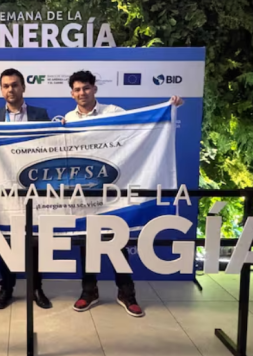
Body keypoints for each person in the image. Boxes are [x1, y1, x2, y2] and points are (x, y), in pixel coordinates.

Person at [63, 70, 183, 317]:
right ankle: (89, 291)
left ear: (95, 88)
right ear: (72, 93)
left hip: (114, 189)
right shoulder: (68, 118)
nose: (82, 93)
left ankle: (127, 293)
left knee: (117, 241)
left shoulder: (113, 112)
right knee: (87, 243)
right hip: (85, 193)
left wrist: (168, 110)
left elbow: (139, 129)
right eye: (77, 89)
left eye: (86, 88)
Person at [0, 68, 52, 310]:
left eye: (15, 85)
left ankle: (36, 287)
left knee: (35, 240)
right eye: (6, 86)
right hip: (5, 188)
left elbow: (51, 145)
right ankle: (6, 287)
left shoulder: (40, 114)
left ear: (23, 87)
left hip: (33, 187)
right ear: (1, 90)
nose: (11, 90)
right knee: (5, 238)